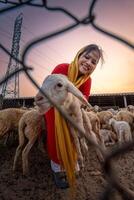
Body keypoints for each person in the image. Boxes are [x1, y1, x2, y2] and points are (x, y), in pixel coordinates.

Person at [44, 44, 104, 189]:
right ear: (79, 55)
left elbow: (84, 99)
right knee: (56, 135)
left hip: (72, 113)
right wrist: (72, 98)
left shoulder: (87, 80)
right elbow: (49, 90)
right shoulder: (62, 69)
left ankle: (71, 161)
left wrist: (73, 100)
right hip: (53, 109)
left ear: (95, 67)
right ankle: (56, 168)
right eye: (87, 57)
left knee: (73, 136)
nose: (89, 62)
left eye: (94, 62)